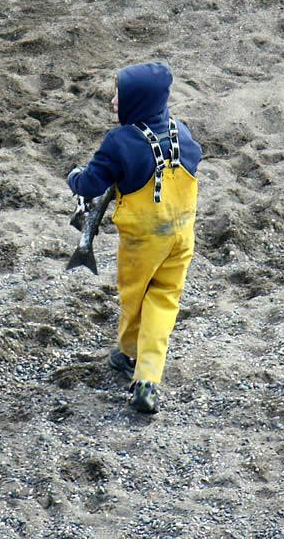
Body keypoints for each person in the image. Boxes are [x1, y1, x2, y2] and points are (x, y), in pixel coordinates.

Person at [67, 62, 202, 414]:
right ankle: (147, 379)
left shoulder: (120, 141)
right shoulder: (181, 132)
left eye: (119, 94)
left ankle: (127, 352)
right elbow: (195, 157)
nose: (113, 101)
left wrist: (74, 179)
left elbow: (91, 184)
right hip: (181, 235)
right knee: (165, 299)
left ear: (137, 101)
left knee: (134, 296)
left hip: (144, 240)